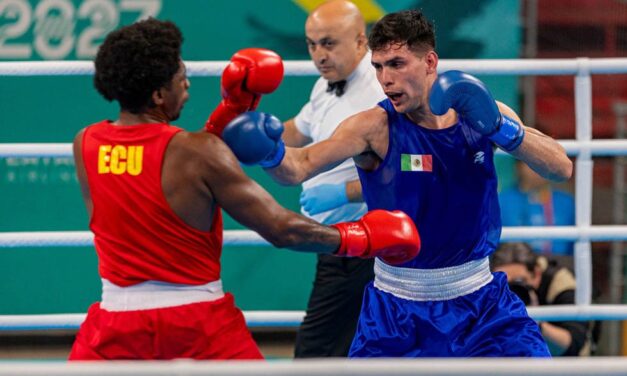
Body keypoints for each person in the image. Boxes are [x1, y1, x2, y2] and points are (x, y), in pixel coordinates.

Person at [223, 9, 573, 357]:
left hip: (481, 302)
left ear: (430, 61)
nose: (385, 78)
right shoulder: (373, 126)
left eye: (397, 64)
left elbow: (560, 167)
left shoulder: (481, 113)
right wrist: (268, 151)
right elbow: (298, 167)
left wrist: (500, 128)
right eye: (378, 66)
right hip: (397, 311)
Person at [68, 18, 420, 360]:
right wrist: (360, 237)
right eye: (182, 78)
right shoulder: (197, 153)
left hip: (114, 324)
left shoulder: (85, 144)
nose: (188, 86)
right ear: (159, 94)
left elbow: (156, 162)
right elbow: (282, 229)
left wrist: (233, 112)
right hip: (197, 322)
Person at [283, 0, 385, 358]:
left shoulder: (380, 92)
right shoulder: (325, 85)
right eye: (312, 45)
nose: (319, 55)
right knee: (352, 350)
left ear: (360, 42)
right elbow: (296, 131)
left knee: (316, 352)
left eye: (329, 43)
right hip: (338, 244)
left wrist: (344, 192)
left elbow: (405, 173)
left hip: (367, 244)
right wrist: (243, 134)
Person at [491, 242, 593, 356]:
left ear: (537, 273)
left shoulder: (561, 283)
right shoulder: (490, 287)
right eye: (504, 283)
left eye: (519, 282)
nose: (512, 291)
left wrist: (534, 322)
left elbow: (573, 346)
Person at [500, 160, 575, 256]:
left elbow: (574, 249)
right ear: (518, 167)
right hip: (514, 266)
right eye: (531, 161)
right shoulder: (501, 201)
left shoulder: (566, 202)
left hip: (559, 265)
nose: (538, 168)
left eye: (543, 162)